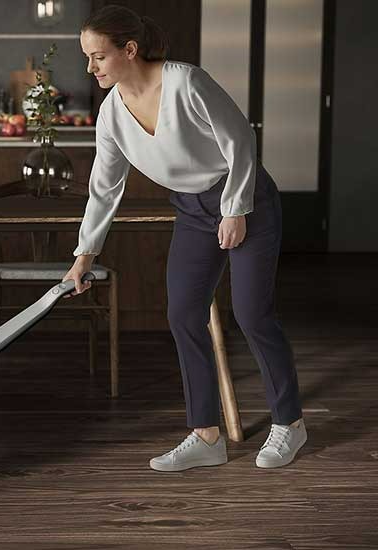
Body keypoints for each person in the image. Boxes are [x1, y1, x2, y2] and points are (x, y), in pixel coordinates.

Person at [62, 5, 307, 471]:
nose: (90, 68)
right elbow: (104, 186)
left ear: (128, 50)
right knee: (183, 314)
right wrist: (85, 254)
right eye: (88, 58)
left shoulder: (185, 82)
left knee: (252, 314)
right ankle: (206, 435)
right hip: (192, 210)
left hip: (246, 197)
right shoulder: (112, 113)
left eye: (98, 57)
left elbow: (240, 143)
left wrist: (235, 209)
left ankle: (290, 424)